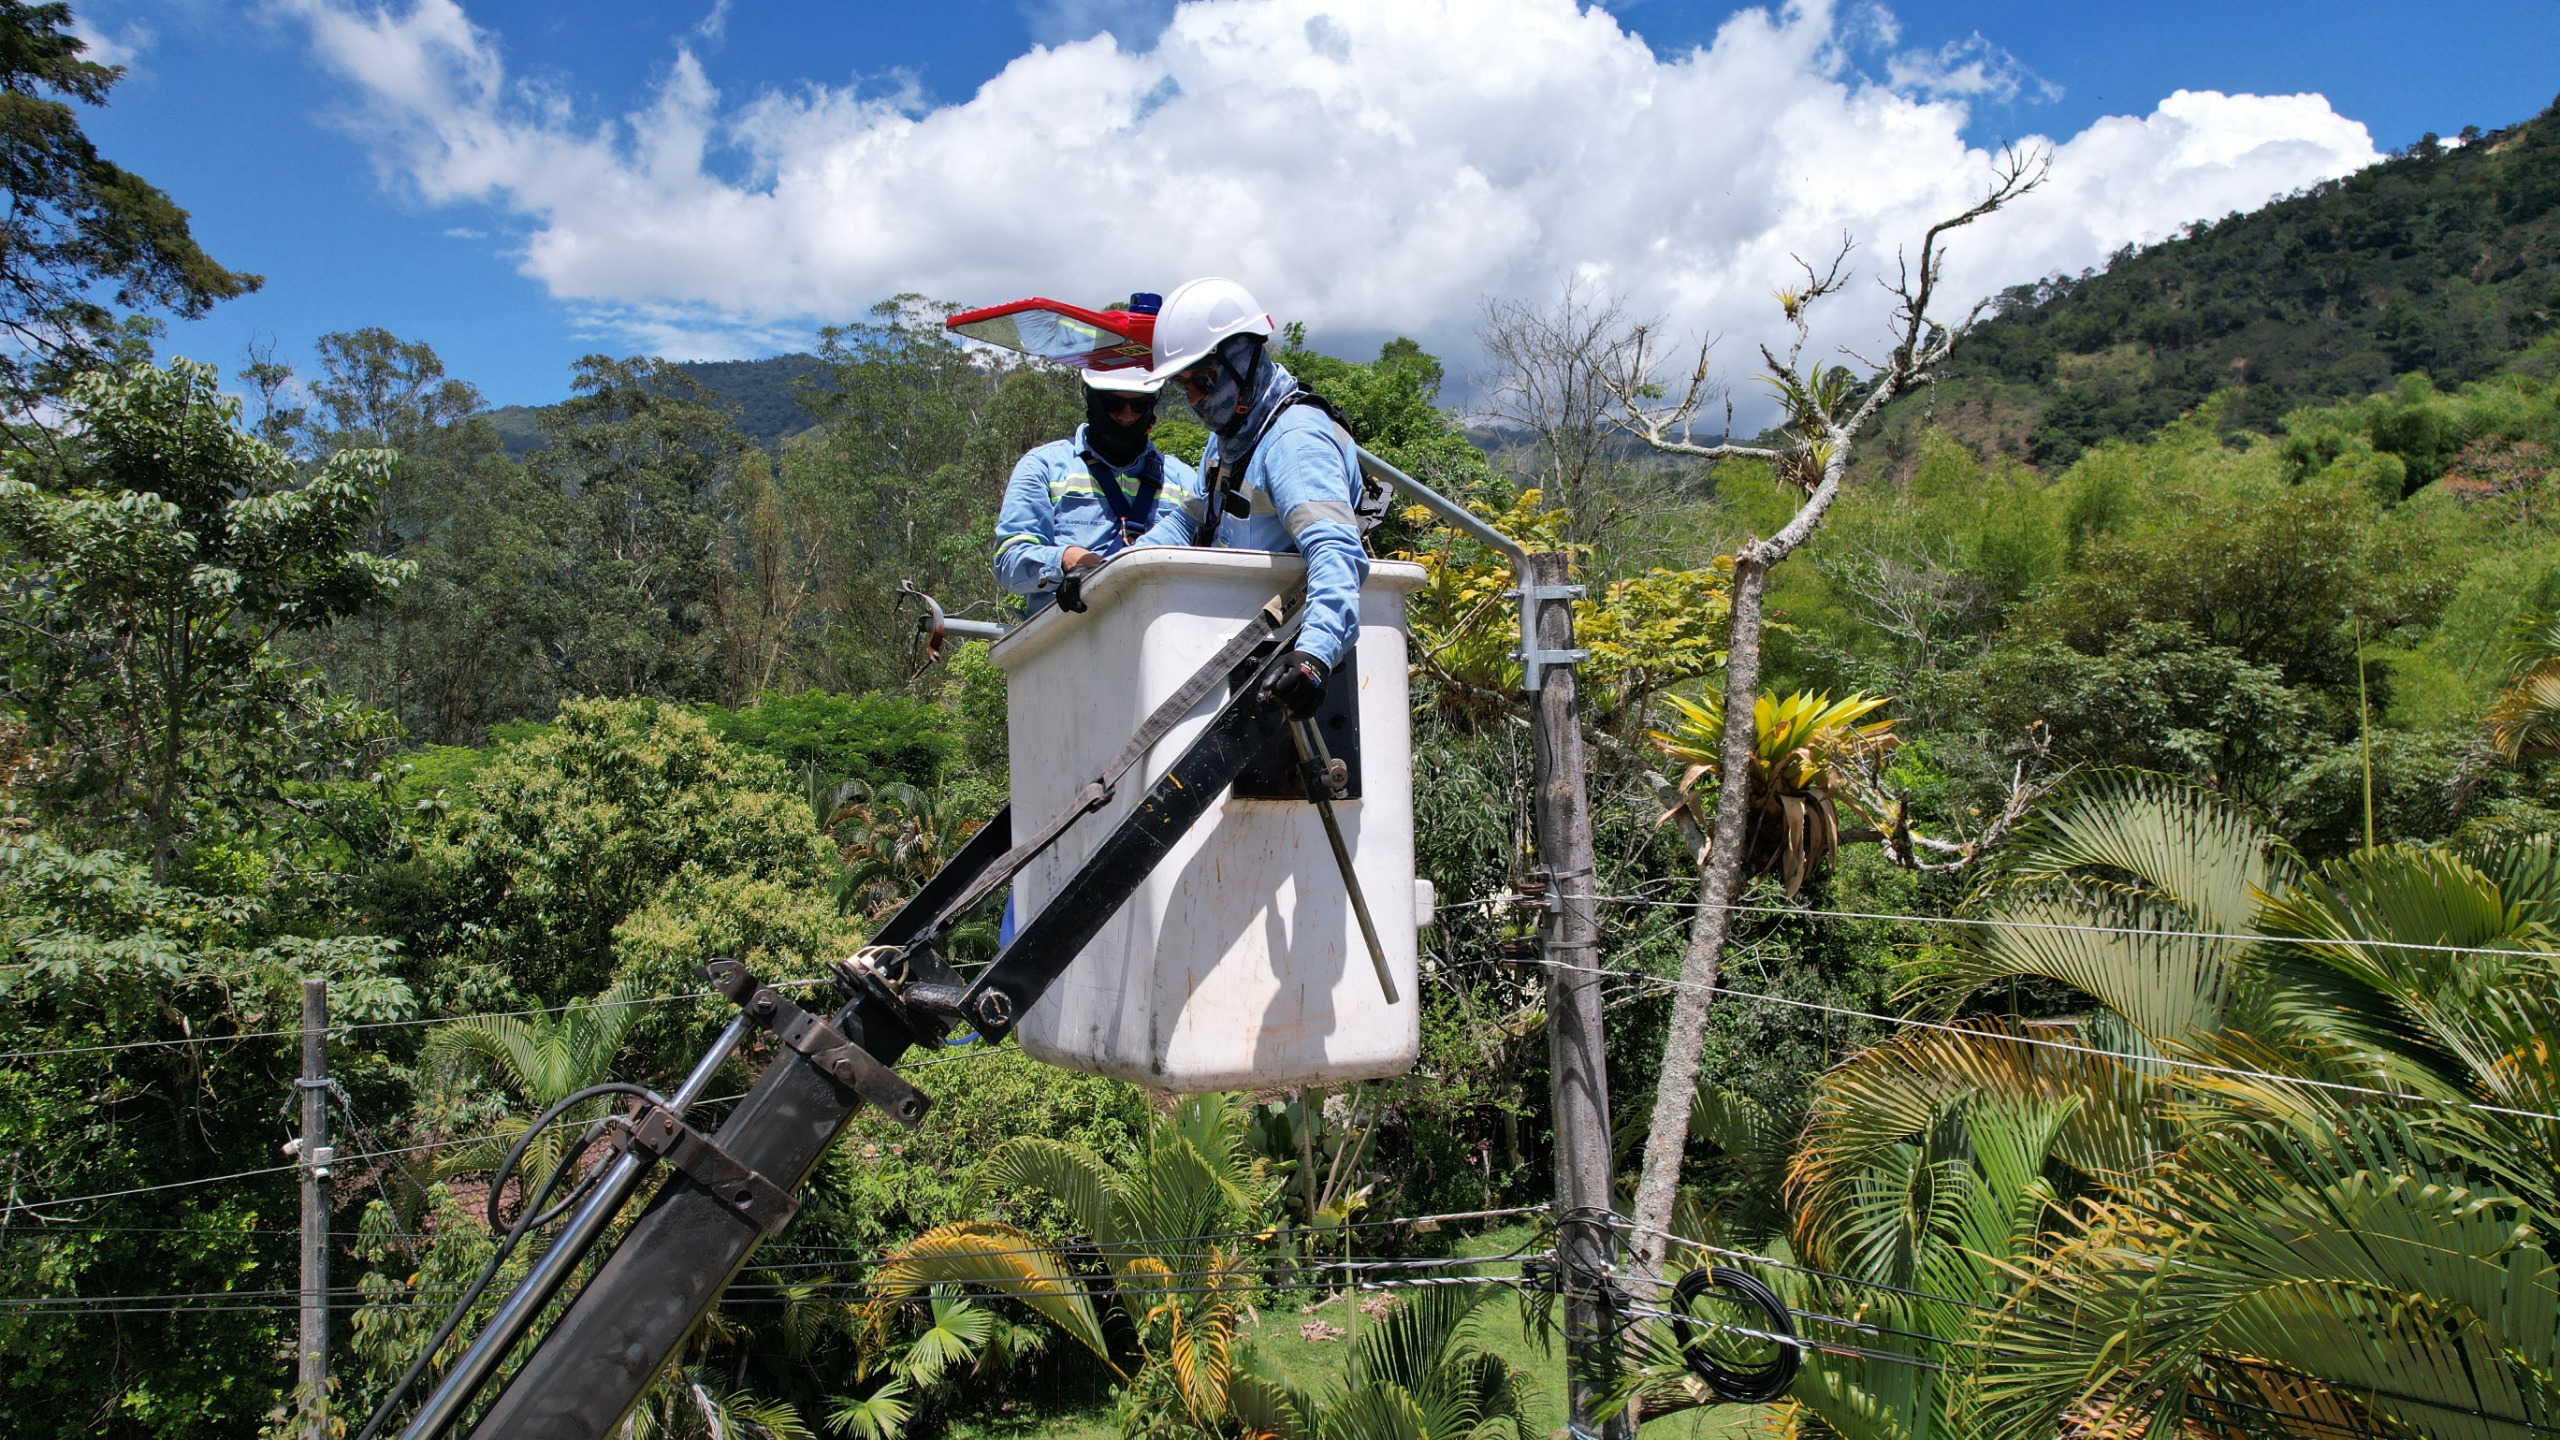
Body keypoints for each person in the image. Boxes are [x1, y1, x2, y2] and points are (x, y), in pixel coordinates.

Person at [1130, 277, 1369, 719]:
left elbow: (1336, 553)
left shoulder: (1295, 442)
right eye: (1184, 386)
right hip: (1234, 651)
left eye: (1203, 380)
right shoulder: (1231, 440)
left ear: (1243, 361)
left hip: (1285, 664)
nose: (1195, 399)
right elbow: (1190, 523)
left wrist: (1315, 656)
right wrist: (1116, 570)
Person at [992, 358, 1199, 616]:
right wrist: (1066, 560)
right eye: (1113, 405)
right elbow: (1009, 563)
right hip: (1070, 637)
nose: (1127, 416)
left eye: (1139, 405)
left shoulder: (1183, 479)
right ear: (1092, 402)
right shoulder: (1044, 467)